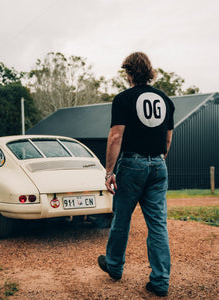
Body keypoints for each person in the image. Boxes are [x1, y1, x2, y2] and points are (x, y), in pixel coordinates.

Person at [98, 52, 175, 297]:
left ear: (129, 72)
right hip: (158, 165)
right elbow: (168, 138)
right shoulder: (165, 100)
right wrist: (158, 160)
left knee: (121, 219)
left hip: (132, 165)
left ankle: (115, 265)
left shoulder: (123, 99)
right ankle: (161, 281)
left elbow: (116, 137)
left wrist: (109, 171)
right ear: (150, 71)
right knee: (158, 225)